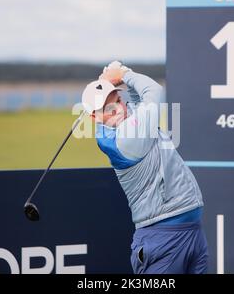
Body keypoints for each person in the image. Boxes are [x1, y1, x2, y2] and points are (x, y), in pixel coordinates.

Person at [81, 61, 208, 274]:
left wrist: (119, 80)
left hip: (190, 231)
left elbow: (139, 101)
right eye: (109, 108)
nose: (119, 109)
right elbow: (153, 91)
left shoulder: (127, 125)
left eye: (119, 100)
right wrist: (124, 74)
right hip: (164, 237)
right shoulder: (125, 139)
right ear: (95, 117)